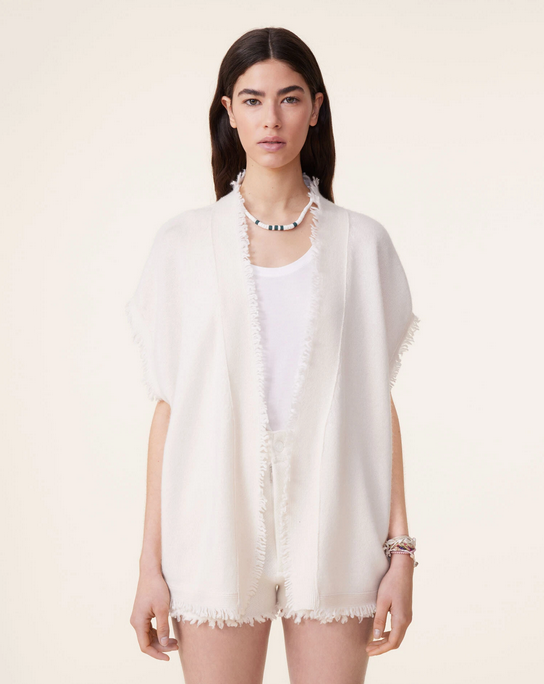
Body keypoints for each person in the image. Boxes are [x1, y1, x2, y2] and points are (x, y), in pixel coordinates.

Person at [127, 27, 420, 684]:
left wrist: (400, 552)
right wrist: (149, 565)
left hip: (338, 518)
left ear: (315, 108)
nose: (271, 119)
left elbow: (377, 402)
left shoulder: (362, 245)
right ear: (228, 112)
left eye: (289, 98)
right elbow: (170, 408)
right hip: (212, 522)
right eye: (252, 100)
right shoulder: (183, 246)